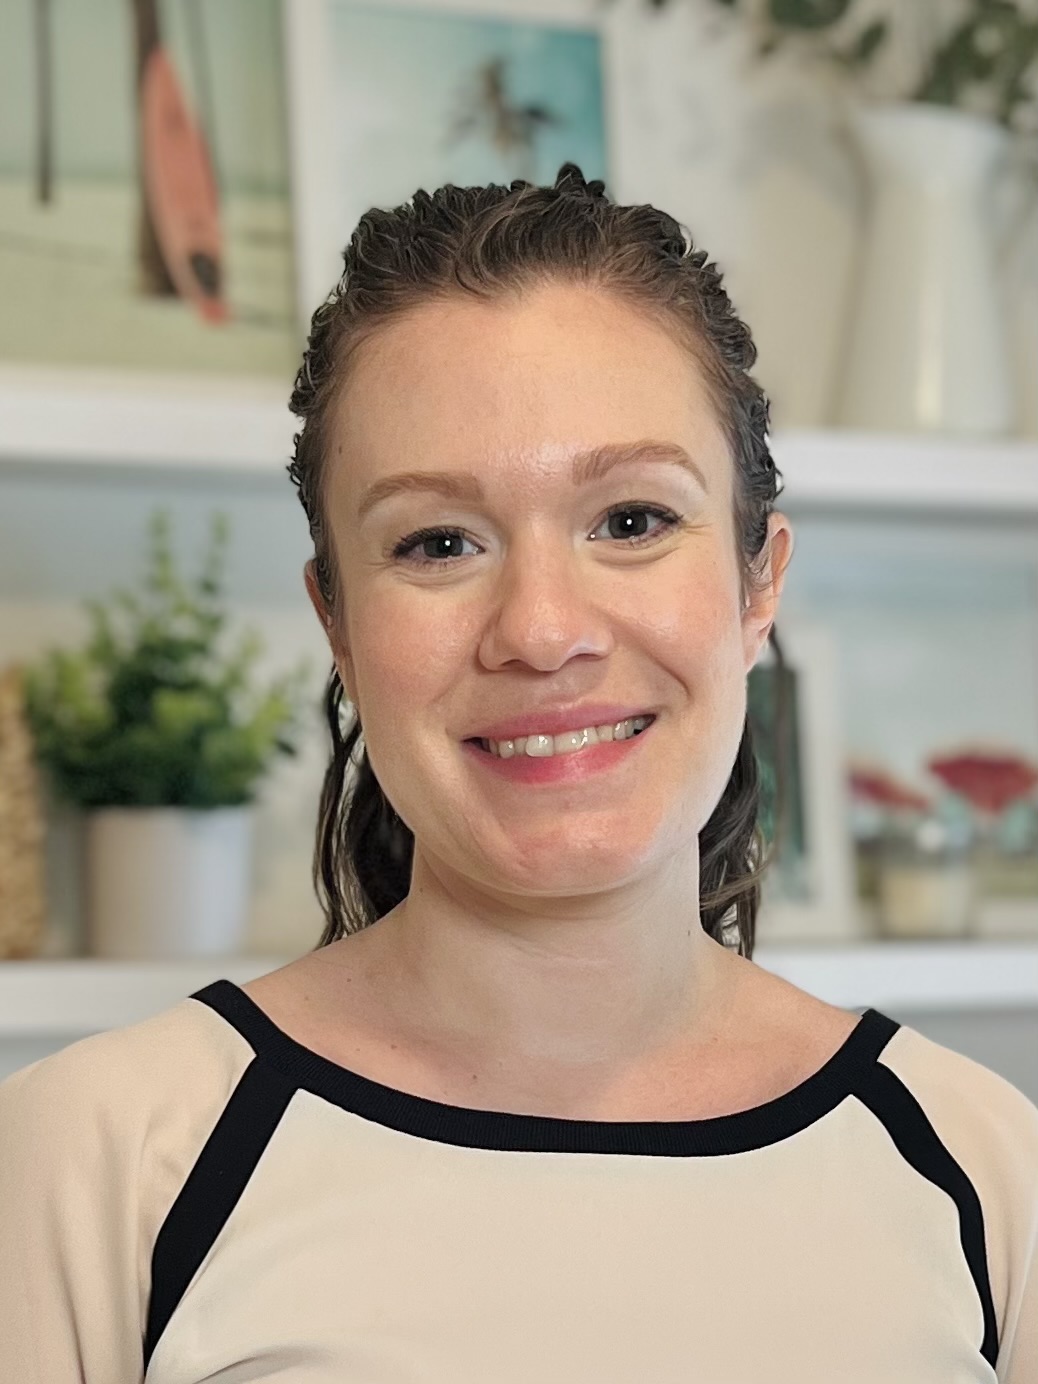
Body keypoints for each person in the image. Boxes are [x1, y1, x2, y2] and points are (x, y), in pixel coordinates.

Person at [1, 163, 1035, 1383]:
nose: (543, 630)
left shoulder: (980, 1165)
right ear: (338, 625)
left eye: (632, 520)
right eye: (439, 542)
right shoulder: (101, 1157)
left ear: (759, 583)